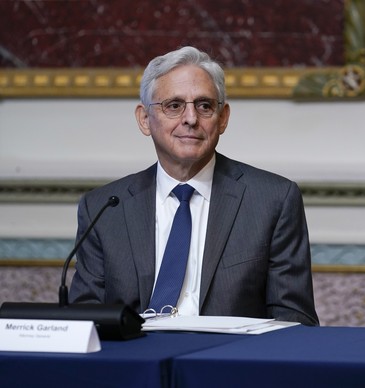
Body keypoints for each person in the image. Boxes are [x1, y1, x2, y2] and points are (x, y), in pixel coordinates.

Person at [69, 46, 319, 326]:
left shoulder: (272, 200)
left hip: (228, 362)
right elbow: (83, 321)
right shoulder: (103, 208)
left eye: (204, 106)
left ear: (222, 118)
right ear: (144, 119)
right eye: (174, 106)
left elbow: (295, 320)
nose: (190, 119)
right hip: (134, 361)